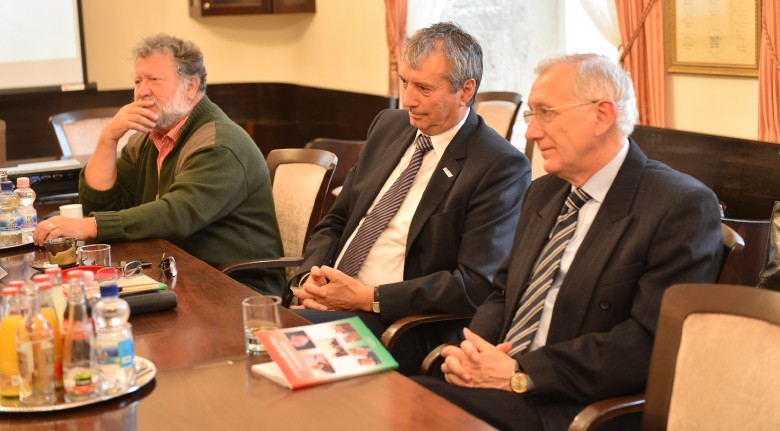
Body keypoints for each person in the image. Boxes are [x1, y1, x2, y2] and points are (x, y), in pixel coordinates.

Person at [412, 54, 724, 431]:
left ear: (601, 116)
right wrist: (474, 352)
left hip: (573, 409)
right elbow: (504, 292)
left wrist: (522, 373)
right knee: (394, 398)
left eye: (546, 113)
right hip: (499, 388)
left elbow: (647, 342)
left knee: (404, 406)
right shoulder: (544, 192)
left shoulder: (679, 205)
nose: (531, 133)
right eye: (531, 115)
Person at [291, 22, 532, 374]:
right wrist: (309, 280)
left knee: (279, 347)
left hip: (402, 324)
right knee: (253, 336)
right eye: (405, 82)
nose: (408, 100)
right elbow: (337, 220)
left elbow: (474, 284)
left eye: (424, 88)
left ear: (466, 90)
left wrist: (370, 298)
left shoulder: (498, 165)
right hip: (329, 303)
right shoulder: (389, 125)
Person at [33, 34, 284, 296]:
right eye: (138, 81)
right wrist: (108, 138)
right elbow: (102, 204)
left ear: (191, 86)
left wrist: (88, 226)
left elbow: (176, 214)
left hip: (237, 287)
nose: (141, 91)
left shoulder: (220, 144)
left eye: (154, 79)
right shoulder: (148, 139)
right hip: (176, 272)